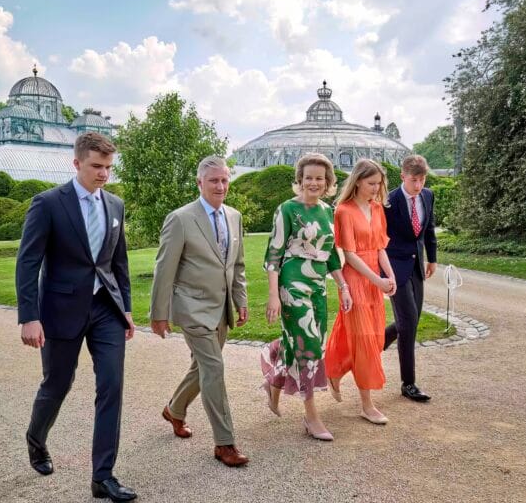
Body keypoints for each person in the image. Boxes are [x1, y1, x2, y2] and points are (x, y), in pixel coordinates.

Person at [16, 132, 137, 502]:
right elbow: (28, 261)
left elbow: (119, 262)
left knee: (112, 386)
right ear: (77, 163)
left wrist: (127, 308)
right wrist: (29, 316)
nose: (103, 174)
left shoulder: (115, 205)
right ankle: (36, 439)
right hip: (60, 310)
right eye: (96, 167)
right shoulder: (49, 203)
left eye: (108, 168)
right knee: (57, 384)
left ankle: (103, 477)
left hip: (106, 311)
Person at [149, 155, 250, 467]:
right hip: (192, 308)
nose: (220, 186)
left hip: (221, 310)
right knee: (214, 369)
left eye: (224, 180)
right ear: (199, 183)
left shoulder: (234, 216)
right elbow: (164, 269)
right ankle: (225, 443)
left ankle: (175, 409)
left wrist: (241, 299)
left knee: (203, 368)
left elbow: (237, 265)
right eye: (213, 181)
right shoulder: (180, 219)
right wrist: (158, 313)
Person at [261, 153, 352, 441]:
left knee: (305, 342)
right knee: (310, 345)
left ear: (328, 182)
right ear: (299, 180)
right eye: (308, 177)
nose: (314, 182)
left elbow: (332, 256)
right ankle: (311, 416)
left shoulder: (327, 211)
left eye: (320, 178)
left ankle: (274, 377)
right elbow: (273, 256)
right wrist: (274, 296)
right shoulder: (286, 210)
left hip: (318, 286)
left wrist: (343, 286)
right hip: (292, 283)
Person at [325, 158, 396, 425]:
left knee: (374, 338)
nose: (377, 189)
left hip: (374, 280)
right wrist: (377, 280)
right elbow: (351, 256)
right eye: (371, 183)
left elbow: (380, 248)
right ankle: (367, 405)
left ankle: (334, 370)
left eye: (379, 184)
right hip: (356, 279)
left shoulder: (377, 208)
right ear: (357, 181)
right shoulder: (343, 210)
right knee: (365, 342)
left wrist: (389, 275)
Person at [383, 154, 437, 402]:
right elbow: (379, 241)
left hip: (417, 266)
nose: (419, 185)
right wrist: (383, 273)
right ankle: (409, 384)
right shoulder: (389, 201)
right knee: (408, 323)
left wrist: (432, 258)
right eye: (414, 180)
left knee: (409, 322)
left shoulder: (427, 195)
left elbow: (429, 230)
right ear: (403, 176)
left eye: (422, 179)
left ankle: (375, 344)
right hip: (395, 268)